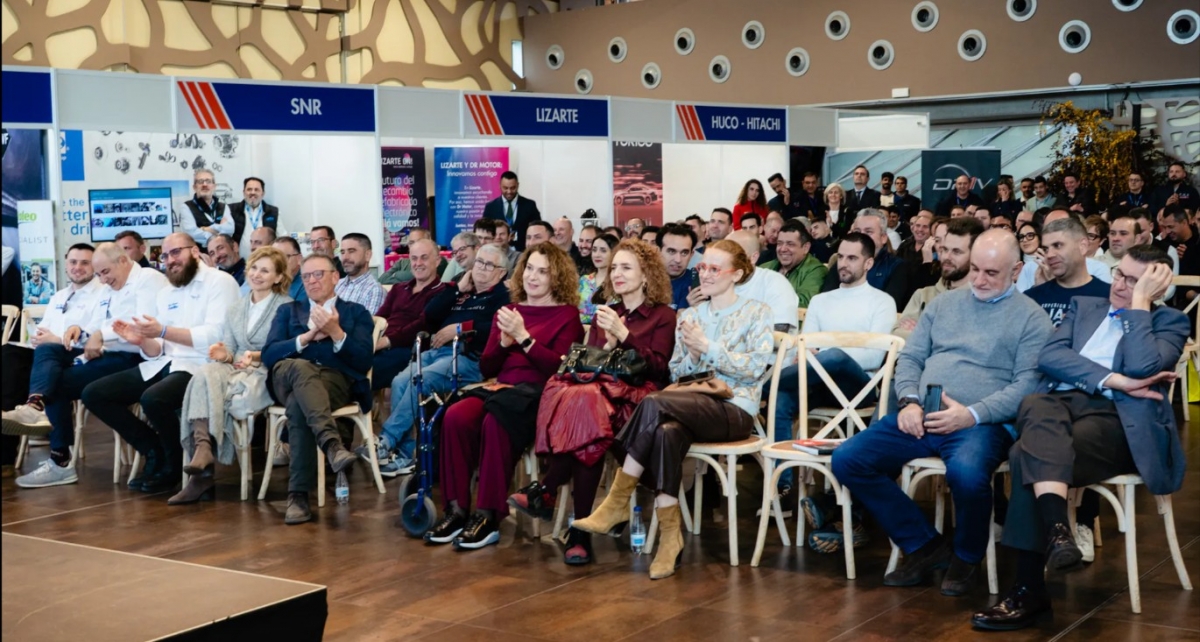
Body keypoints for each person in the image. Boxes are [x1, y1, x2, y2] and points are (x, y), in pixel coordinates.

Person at [972, 246, 1186, 632]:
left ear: (1157, 287)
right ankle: (1057, 534)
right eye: (1119, 274)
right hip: (1057, 411)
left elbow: (1142, 365)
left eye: (1134, 281)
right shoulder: (1085, 306)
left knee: (1024, 454)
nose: (1120, 285)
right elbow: (1049, 357)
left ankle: (1028, 589)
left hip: (1117, 422)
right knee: (1036, 404)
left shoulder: (1170, 322)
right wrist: (1114, 379)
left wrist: (1139, 306)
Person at [831, 229, 1053, 596]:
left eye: (991, 273)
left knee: (966, 473)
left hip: (982, 423)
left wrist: (972, 414)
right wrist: (909, 401)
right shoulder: (943, 304)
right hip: (924, 412)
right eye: (975, 269)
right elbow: (911, 358)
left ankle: (966, 555)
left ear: (1016, 271)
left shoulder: (1032, 318)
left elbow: (1028, 385)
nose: (979, 280)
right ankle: (924, 545)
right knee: (848, 459)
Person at [572, 240, 774, 579]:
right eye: (703, 268)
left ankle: (617, 500)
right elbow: (676, 372)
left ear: (737, 274)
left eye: (715, 269)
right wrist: (693, 355)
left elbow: (754, 368)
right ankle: (670, 537)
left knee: (653, 401)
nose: (705, 274)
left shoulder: (758, 312)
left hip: (735, 409)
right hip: (689, 405)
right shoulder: (691, 315)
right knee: (665, 432)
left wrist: (707, 347)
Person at [510, 239, 676, 564]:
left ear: (646, 275)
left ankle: (548, 490)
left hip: (642, 401)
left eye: (626, 267)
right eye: (614, 268)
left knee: (585, 408)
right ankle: (579, 532)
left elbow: (658, 368)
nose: (617, 274)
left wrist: (625, 337)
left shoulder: (663, 315)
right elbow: (591, 367)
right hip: (600, 400)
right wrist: (609, 345)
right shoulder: (607, 313)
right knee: (587, 419)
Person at [428, 243, 584, 550]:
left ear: (557, 278)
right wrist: (502, 342)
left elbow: (560, 369)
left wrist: (524, 339)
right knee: (455, 416)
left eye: (542, 271)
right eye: (529, 269)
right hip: (501, 388)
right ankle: (456, 510)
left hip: (540, 394)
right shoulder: (510, 311)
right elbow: (487, 367)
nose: (533, 277)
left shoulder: (567, 315)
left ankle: (488, 515)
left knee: (496, 420)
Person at [81, 233, 240, 494]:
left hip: (203, 365)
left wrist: (163, 331)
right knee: (94, 393)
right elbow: (157, 350)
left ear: (195, 251)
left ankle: (172, 465)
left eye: (176, 252)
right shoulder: (167, 292)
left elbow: (215, 336)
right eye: (165, 256)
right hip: (166, 363)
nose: (170, 260)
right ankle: (154, 450)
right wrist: (141, 340)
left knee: (154, 399)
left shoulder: (220, 281)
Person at [772, 233, 896, 502]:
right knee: (781, 397)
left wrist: (826, 353)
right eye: (841, 257)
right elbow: (806, 350)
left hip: (860, 386)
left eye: (852, 258)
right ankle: (783, 489)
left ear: (868, 263)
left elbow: (873, 358)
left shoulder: (882, 301)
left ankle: (764, 385)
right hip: (819, 381)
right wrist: (817, 354)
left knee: (835, 356)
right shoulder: (821, 300)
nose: (844, 263)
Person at [369, 244, 511, 474]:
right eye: (478, 262)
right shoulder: (461, 290)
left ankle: (386, 440)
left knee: (419, 378)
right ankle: (404, 457)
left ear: (501, 272)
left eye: (488, 265)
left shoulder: (503, 296)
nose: (480, 268)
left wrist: (461, 327)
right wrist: (457, 289)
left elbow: (495, 328)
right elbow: (430, 316)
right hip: (437, 352)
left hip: (469, 357)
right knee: (399, 381)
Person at [170, 247, 292, 504]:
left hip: (265, 371)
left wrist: (252, 357)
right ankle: (203, 448)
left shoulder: (287, 307)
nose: (257, 274)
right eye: (254, 268)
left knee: (214, 389)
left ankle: (202, 473)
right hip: (235, 367)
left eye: (265, 270)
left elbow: (283, 349)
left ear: (279, 277)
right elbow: (230, 348)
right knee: (203, 373)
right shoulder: (236, 307)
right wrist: (223, 353)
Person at [260, 253, 375, 524]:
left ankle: (298, 495)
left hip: (332, 381)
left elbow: (364, 361)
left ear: (335, 276)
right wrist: (305, 338)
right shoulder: (288, 310)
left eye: (318, 274)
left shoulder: (355, 312)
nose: (311, 281)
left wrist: (336, 332)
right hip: (287, 376)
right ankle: (332, 444)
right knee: (301, 368)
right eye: (306, 276)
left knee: (299, 404)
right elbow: (269, 354)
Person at [3, 244, 115, 488]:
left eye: (85, 263)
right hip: (49, 356)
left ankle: (37, 409)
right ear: (66, 264)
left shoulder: (104, 293)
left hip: (81, 355)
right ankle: (7, 452)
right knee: (9, 357)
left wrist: (53, 340)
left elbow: (96, 337)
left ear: (95, 265)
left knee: (49, 367)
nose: (78, 267)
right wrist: (37, 339)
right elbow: (43, 332)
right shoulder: (59, 296)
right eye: (73, 262)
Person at [371, 238, 448, 389]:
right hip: (380, 345)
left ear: (437, 261)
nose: (418, 263)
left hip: (410, 349)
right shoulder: (398, 288)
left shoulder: (443, 292)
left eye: (424, 258)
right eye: (414, 258)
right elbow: (379, 318)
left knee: (361, 371)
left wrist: (386, 341)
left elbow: (422, 325)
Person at [894, 217, 983, 341]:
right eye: (945, 249)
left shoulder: (983, 300)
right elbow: (897, 336)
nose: (946, 257)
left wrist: (922, 332)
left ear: (976, 255)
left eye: (956, 252)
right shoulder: (923, 295)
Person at [1025, 218, 1112, 327]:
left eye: (1057, 245)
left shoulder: (1109, 296)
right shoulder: (1030, 298)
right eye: (1046, 249)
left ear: (1083, 246)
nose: (1050, 255)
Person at [820, 209, 911, 309]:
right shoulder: (842, 263)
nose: (861, 236)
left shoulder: (897, 267)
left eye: (868, 231)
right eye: (857, 231)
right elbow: (826, 299)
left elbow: (889, 306)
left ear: (883, 237)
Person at [1016, 210, 1112, 292]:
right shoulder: (1030, 268)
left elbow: (1095, 305)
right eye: (1048, 227)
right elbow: (1019, 306)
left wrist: (1054, 284)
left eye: (1060, 226)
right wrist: (1038, 288)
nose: (1052, 232)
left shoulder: (1098, 269)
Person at [728, 230, 800, 333]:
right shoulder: (721, 282)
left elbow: (780, 332)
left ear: (753, 258)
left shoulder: (775, 283)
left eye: (735, 255)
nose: (727, 260)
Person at [758, 220, 827, 308]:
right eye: (779, 243)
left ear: (806, 248)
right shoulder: (764, 268)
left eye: (790, 244)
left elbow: (803, 303)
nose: (783, 249)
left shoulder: (816, 271)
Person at [482, 171, 542, 250]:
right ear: (500, 186)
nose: (509, 191)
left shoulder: (530, 205)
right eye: (505, 188)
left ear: (518, 185)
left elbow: (537, 228)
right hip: (497, 251)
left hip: (523, 251)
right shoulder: (491, 207)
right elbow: (485, 231)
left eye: (513, 188)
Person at [227, 177, 282, 260]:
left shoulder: (273, 212)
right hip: (239, 262)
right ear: (244, 192)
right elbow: (225, 237)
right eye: (249, 189)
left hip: (266, 260)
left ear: (263, 193)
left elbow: (282, 237)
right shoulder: (231, 210)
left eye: (256, 190)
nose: (252, 192)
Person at [334, 233, 385, 315]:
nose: (345, 257)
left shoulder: (374, 291)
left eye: (351, 251)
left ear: (367, 255)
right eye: (342, 252)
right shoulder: (336, 285)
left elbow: (368, 323)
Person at [380, 228, 448, 285]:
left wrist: (396, 274)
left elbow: (419, 277)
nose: (415, 245)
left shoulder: (437, 260)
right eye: (411, 243)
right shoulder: (401, 263)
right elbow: (382, 279)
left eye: (419, 242)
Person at [181, 169, 229, 246]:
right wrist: (218, 234)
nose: (204, 184)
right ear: (194, 187)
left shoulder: (224, 206)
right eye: (200, 181)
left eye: (208, 181)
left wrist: (204, 229)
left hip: (221, 252)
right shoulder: (186, 207)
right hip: (199, 252)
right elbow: (191, 233)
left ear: (214, 186)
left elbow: (229, 230)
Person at [578, 232, 617, 324]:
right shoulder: (584, 280)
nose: (597, 255)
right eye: (594, 250)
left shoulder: (617, 282)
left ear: (614, 253)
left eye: (603, 250)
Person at [659, 223, 697, 310]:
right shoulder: (644, 281)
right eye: (671, 251)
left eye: (684, 253)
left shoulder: (696, 283)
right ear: (658, 251)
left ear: (691, 255)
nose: (678, 260)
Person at [273, 236, 308, 305]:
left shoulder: (307, 284)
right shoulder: (268, 280)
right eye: (273, 257)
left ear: (299, 259)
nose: (278, 262)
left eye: (284, 257)